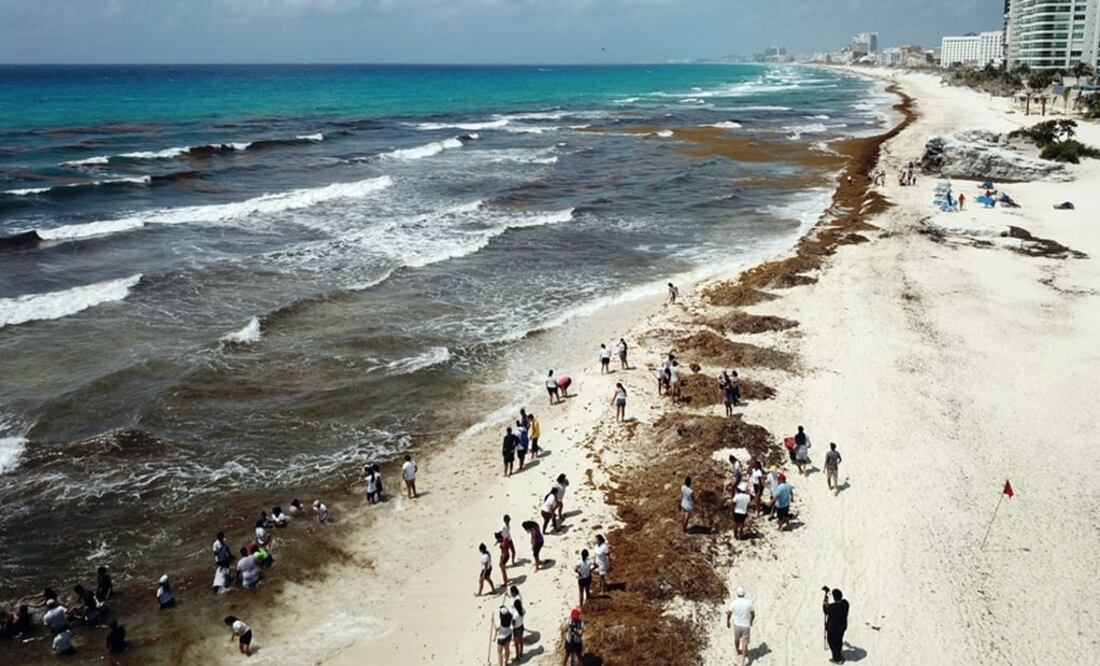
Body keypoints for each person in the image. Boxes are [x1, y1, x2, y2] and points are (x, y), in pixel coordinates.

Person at [726, 586, 755, 666]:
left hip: (737, 624)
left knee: (737, 639)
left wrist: (728, 622)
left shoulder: (734, 602)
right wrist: (751, 621)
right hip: (746, 625)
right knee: (745, 642)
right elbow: (753, 614)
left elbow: (729, 613)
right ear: (744, 594)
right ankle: (743, 659)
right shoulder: (749, 603)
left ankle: (737, 651)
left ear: (737, 594)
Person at [823, 588, 850, 663]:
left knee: (832, 643)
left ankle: (837, 659)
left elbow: (826, 610)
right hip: (842, 627)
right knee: (839, 640)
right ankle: (838, 653)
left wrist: (825, 601)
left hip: (833, 629)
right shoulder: (845, 603)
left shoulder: (833, 607)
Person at [509, 586, 526, 660]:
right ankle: (521, 653)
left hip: (516, 629)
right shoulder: (523, 610)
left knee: (516, 643)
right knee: (521, 640)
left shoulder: (515, 616)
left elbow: (513, 624)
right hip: (521, 626)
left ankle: (517, 656)